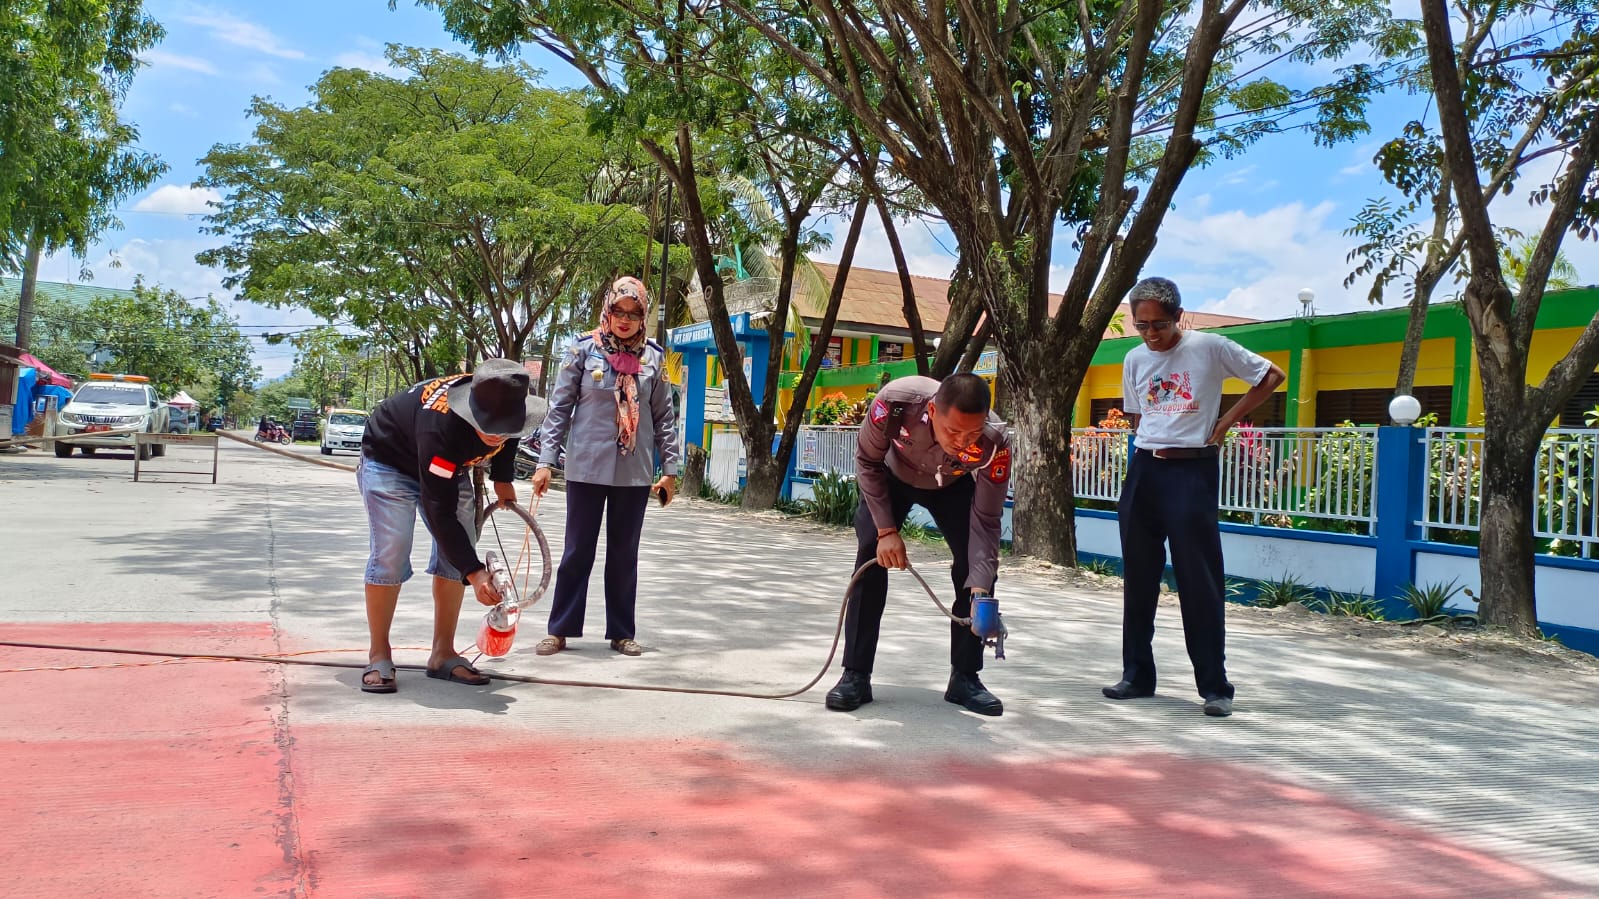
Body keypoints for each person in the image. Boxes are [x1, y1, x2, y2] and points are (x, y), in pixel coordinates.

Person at [1103, 277, 1285, 717]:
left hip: (1192, 471)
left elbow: (1272, 377)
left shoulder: (1211, 348)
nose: (1150, 334)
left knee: (1199, 579)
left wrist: (1224, 423)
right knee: (1139, 576)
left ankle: (1215, 686)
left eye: (1158, 325)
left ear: (1177, 316)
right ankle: (1136, 675)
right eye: (1141, 324)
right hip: (1145, 470)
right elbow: (1135, 413)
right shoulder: (1133, 358)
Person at [825, 372, 1012, 716]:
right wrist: (885, 530)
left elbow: (986, 521)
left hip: (951, 486)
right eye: (953, 430)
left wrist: (982, 590)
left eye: (972, 432)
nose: (961, 441)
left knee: (977, 567)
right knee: (870, 553)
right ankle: (855, 674)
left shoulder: (994, 442)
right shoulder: (895, 404)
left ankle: (965, 678)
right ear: (932, 410)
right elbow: (867, 462)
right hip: (891, 478)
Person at [356, 358, 547, 693]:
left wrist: (502, 478)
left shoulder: (505, 404)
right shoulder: (441, 428)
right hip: (390, 460)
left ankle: (443, 653)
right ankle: (379, 654)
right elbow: (438, 510)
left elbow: (513, 434)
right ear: (471, 412)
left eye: (504, 427)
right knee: (393, 549)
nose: (495, 435)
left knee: (455, 554)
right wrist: (474, 573)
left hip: (448, 467)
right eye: (487, 425)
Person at [530, 276, 679, 657]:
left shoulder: (653, 359)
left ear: (643, 315)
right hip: (586, 469)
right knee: (578, 550)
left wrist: (670, 470)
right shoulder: (582, 351)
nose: (625, 319)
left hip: (634, 472)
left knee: (624, 554)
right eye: (618, 311)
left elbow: (664, 417)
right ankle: (559, 629)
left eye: (634, 313)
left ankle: (621, 632)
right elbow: (559, 410)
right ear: (607, 310)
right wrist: (546, 462)